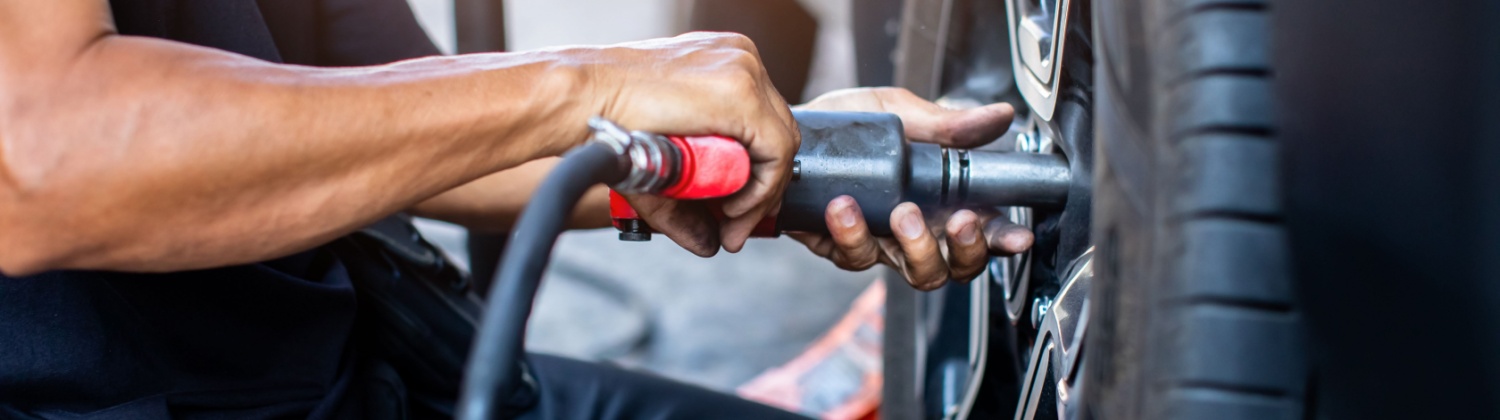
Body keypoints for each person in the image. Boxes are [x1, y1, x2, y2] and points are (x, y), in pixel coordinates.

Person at [0, 0, 1030, 418]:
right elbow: (40, 156)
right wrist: (590, 86)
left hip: (344, 379)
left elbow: (386, 112)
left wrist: (774, 148)